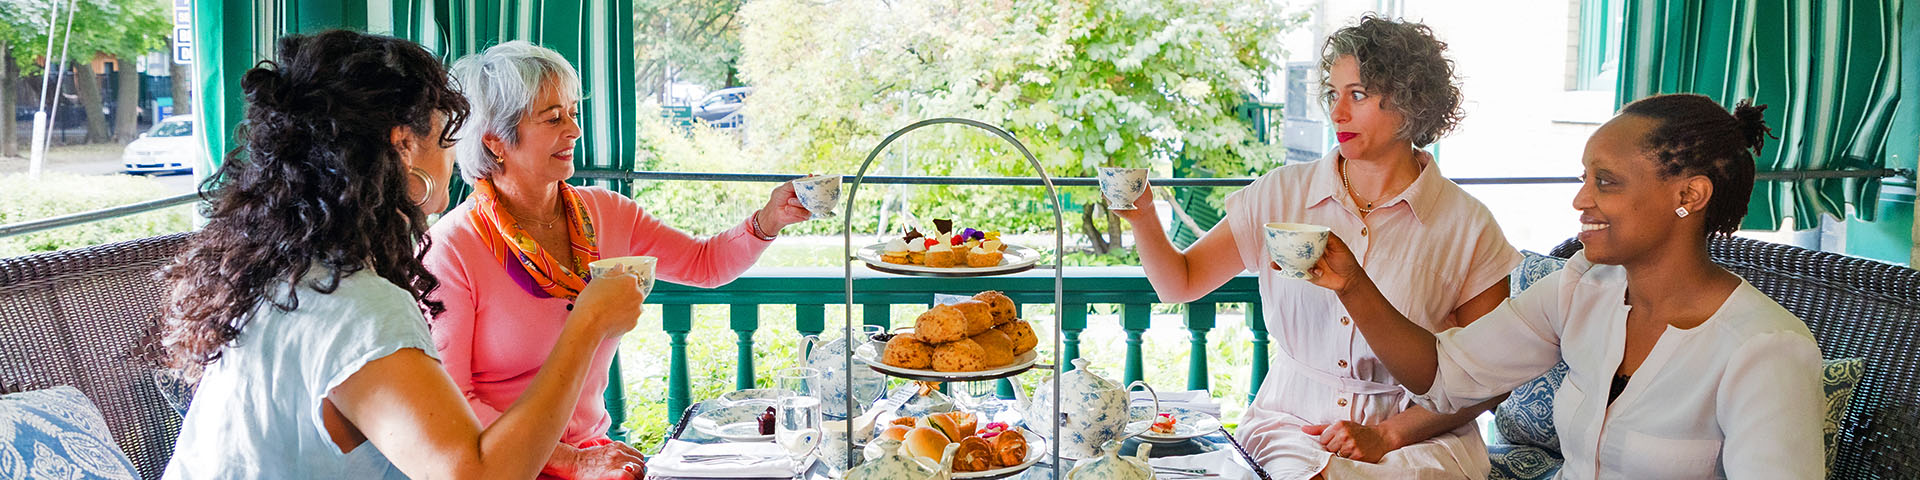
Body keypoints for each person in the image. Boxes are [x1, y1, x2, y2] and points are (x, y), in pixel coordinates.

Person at [158, 31, 648, 480]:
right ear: (405, 146)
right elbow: (475, 475)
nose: (456, 157)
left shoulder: (286, 274)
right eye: (446, 138)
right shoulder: (357, 307)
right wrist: (586, 324)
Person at [1306, 93, 1825, 478]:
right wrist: (1352, 284)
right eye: (1584, 178)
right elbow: (1444, 376)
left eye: (1606, 181)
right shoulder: (1583, 287)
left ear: (1688, 194)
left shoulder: (1766, 352)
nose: (1581, 200)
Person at [1113, 15, 1517, 479]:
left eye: (1358, 94)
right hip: (1293, 423)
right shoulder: (1279, 194)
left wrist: (1390, 435)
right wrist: (1142, 216)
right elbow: (1179, 283)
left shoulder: (1468, 226)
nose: (1337, 112)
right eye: (1333, 94)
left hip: (1418, 436)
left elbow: (1490, 379)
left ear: (1411, 101)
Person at [422, 41, 813, 476]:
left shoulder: (607, 212)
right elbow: (452, 403)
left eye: (574, 113)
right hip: (506, 465)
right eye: (553, 119)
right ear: (496, 142)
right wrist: (572, 462)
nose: (574, 130)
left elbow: (705, 264)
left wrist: (768, 220)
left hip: (596, 456)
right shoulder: (450, 250)